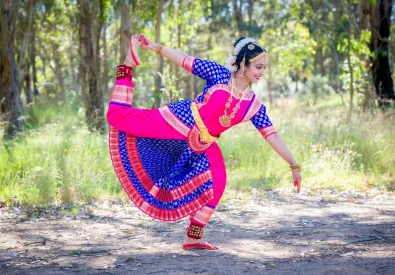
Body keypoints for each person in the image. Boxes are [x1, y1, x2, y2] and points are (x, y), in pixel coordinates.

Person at [106, 34, 302, 250]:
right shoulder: (219, 74)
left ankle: (193, 237)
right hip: (179, 120)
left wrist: (293, 164)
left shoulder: (253, 105)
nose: (262, 73)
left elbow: (271, 134)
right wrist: (153, 47)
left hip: (204, 142)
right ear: (243, 64)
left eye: (264, 68)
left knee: (217, 182)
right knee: (118, 118)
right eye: (258, 67)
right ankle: (127, 64)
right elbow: (184, 58)